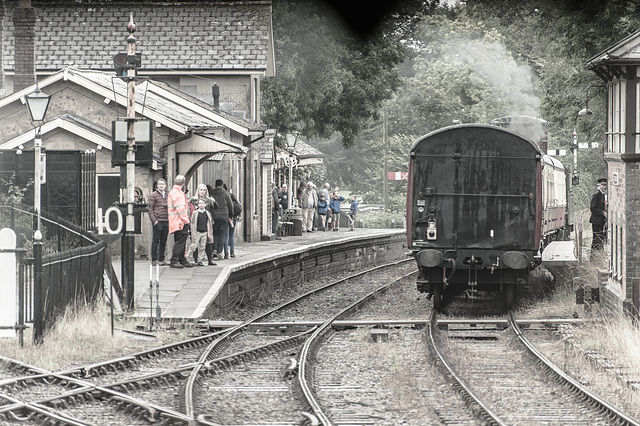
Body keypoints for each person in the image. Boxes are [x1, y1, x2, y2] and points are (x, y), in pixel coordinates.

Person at [168, 175, 195, 268]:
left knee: (181, 241)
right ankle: (174, 260)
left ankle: (182, 259)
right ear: (183, 184)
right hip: (180, 221)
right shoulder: (178, 194)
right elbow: (180, 209)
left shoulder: (173, 192)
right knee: (180, 241)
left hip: (175, 221)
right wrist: (186, 220)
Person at [190, 184, 217, 265]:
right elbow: (188, 207)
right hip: (196, 224)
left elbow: (215, 207)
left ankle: (209, 260)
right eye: (200, 190)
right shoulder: (194, 200)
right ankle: (196, 261)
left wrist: (214, 202)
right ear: (198, 190)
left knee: (208, 243)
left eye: (204, 190)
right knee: (195, 243)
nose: (202, 191)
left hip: (206, 224)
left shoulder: (208, 200)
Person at [210, 179, 234, 260]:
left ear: (215, 185)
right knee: (222, 235)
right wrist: (230, 215)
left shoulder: (211, 193)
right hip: (224, 216)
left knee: (215, 234)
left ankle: (214, 250)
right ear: (222, 185)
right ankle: (220, 252)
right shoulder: (226, 193)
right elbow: (230, 206)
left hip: (214, 216)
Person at [148, 178, 169, 266]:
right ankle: (154, 259)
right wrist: (154, 221)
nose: (161, 185)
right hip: (158, 220)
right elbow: (149, 208)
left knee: (164, 240)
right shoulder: (153, 195)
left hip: (166, 220)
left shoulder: (168, 194)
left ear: (165, 185)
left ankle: (161, 259)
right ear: (157, 186)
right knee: (155, 240)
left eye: (163, 184)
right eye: (159, 184)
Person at [186, 198, 213, 266]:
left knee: (202, 247)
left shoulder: (207, 213)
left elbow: (209, 223)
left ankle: (199, 260)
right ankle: (187, 258)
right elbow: (192, 222)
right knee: (193, 246)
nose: (201, 205)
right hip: (197, 232)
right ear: (197, 205)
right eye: (199, 203)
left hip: (204, 232)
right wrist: (191, 231)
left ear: (205, 204)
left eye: (202, 203)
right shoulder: (195, 213)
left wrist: (209, 232)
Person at [589, 177, 608, 258]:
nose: (604, 187)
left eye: (605, 185)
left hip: (601, 220)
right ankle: (594, 256)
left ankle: (598, 255)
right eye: (603, 185)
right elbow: (593, 208)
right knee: (597, 238)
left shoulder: (603, 195)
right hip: (596, 220)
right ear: (599, 185)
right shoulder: (596, 195)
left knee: (600, 238)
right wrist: (602, 213)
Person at [223, 184, 241, 258]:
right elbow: (239, 206)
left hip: (227, 218)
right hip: (234, 218)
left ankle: (226, 253)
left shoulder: (224, 197)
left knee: (226, 235)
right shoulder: (233, 196)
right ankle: (232, 252)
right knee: (231, 235)